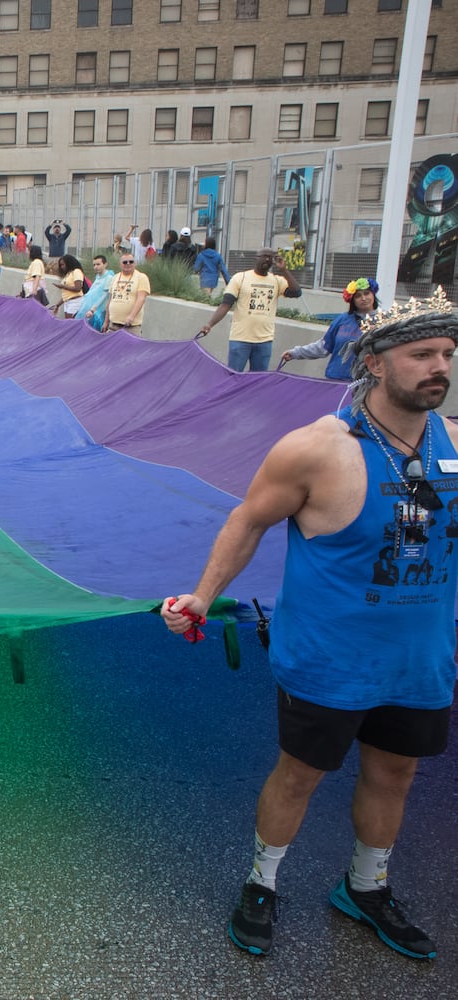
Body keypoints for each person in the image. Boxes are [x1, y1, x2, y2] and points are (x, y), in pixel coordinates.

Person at [161, 291, 458, 961]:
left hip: (420, 663)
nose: (439, 367)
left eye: (446, 354)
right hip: (329, 660)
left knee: (395, 775)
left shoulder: (457, 446)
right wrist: (203, 597)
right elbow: (247, 522)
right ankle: (261, 883)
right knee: (299, 776)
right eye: (421, 355)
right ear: (376, 363)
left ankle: (365, 885)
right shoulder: (314, 450)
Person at [199, 247, 303, 372]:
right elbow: (226, 305)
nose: (267, 259)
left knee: (257, 381)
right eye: (264, 256)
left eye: (270, 257)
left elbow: (297, 292)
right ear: (256, 258)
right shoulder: (240, 278)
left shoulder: (276, 280)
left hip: (264, 341)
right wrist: (210, 324)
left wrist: (284, 270)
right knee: (233, 376)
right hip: (240, 340)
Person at [280, 278, 379, 381]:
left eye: (367, 293)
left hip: (367, 383)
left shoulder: (384, 322)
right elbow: (323, 347)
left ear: (373, 295)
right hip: (336, 380)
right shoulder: (342, 320)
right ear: (352, 300)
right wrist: (296, 353)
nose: (363, 298)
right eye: (358, 296)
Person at [103, 253, 149, 333]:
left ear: (135, 263)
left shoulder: (141, 277)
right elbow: (110, 300)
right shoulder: (115, 277)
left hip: (131, 327)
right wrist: (106, 321)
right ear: (120, 264)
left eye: (131, 262)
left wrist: (132, 316)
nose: (128, 264)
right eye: (125, 262)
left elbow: (141, 299)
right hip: (113, 325)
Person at [78, 255, 116, 332]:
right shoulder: (98, 276)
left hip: (99, 312)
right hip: (89, 309)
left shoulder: (109, 277)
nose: (96, 267)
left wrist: (92, 310)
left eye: (98, 264)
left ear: (105, 264)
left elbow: (104, 296)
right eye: (94, 265)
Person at [51, 254, 88, 318]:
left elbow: (78, 288)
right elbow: (67, 294)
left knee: (72, 324)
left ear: (69, 263)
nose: (62, 267)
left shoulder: (77, 272)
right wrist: (57, 305)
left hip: (75, 302)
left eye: (63, 265)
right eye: (61, 265)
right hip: (67, 302)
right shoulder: (68, 274)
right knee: (68, 323)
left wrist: (63, 286)